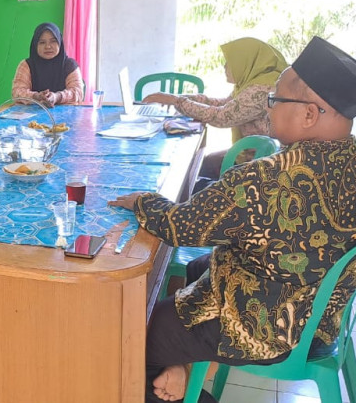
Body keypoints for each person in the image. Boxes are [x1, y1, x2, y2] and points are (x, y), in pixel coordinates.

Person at [109, 36, 356, 402]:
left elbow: (180, 226)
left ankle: (182, 384)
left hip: (266, 327)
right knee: (198, 268)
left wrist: (144, 201)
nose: (268, 110)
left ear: (308, 114)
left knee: (132, 333)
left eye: (275, 100)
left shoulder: (266, 178)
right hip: (322, 321)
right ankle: (187, 365)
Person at [143, 38, 288, 185]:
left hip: (257, 160)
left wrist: (177, 101)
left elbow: (222, 116)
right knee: (202, 162)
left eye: (229, 63)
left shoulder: (261, 89)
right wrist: (182, 98)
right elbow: (224, 103)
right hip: (254, 152)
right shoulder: (253, 82)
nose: (225, 67)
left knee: (197, 165)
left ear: (244, 62)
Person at [11, 22, 85, 106]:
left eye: (53, 41)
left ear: (59, 42)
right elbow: (17, 91)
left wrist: (57, 97)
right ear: (35, 45)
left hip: (66, 116)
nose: (48, 47)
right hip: (32, 116)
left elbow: (78, 92)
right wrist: (36, 96)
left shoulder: (70, 65)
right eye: (42, 42)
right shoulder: (26, 65)